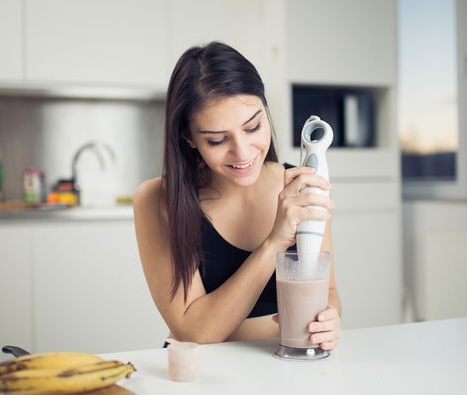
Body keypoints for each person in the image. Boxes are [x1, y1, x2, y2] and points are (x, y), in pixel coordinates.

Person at [133, 42, 341, 350]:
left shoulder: (301, 186)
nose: (242, 153)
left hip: (287, 367)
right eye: (217, 140)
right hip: (203, 377)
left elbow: (329, 290)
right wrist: (274, 242)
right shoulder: (158, 199)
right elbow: (194, 331)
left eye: (253, 126)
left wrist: (329, 321)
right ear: (188, 138)